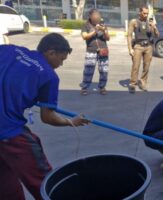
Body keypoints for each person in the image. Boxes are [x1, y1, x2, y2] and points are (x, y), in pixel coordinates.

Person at [0, 33, 89, 200]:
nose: (61, 64)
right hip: (8, 132)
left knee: (4, 180)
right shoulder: (49, 76)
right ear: (51, 53)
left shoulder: (9, 50)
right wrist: (72, 122)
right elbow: (48, 117)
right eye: (61, 60)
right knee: (45, 183)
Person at [127, 6, 159, 94]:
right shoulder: (134, 22)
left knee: (147, 66)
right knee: (135, 66)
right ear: (140, 12)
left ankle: (143, 82)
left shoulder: (150, 23)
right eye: (144, 13)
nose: (146, 15)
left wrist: (154, 27)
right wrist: (130, 49)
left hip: (148, 46)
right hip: (138, 46)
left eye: (147, 13)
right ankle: (133, 84)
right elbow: (129, 36)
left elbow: (157, 35)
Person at [80, 9, 110, 96]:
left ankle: (102, 87)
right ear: (90, 17)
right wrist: (95, 31)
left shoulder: (103, 25)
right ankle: (84, 87)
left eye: (99, 16)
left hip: (103, 50)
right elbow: (85, 36)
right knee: (88, 70)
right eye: (96, 17)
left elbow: (108, 38)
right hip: (91, 51)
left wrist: (104, 30)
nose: (98, 18)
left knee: (104, 70)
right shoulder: (85, 25)